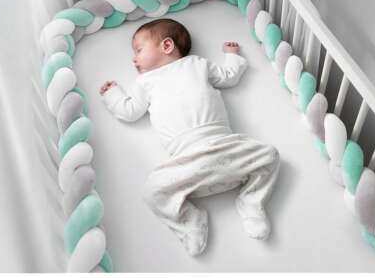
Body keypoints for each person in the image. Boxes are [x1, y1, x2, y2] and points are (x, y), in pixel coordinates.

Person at [100, 18, 279, 256]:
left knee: (269, 155)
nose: (134, 59)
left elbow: (228, 76)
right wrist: (113, 94)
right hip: (186, 162)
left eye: (139, 50)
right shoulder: (145, 82)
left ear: (166, 46)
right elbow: (130, 111)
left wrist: (232, 56)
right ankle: (190, 221)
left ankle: (252, 202)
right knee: (151, 191)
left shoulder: (197, 64)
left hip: (225, 147)